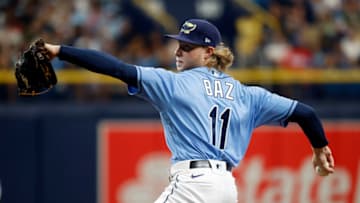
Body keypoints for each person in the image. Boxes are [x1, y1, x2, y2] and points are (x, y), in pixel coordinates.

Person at [43, 19, 335, 203]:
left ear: (209, 53)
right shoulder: (248, 95)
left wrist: (60, 50)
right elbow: (305, 113)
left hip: (193, 186)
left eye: (187, 47)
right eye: (179, 45)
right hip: (226, 190)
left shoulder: (172, 84)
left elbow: (116, 69)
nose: (178, 52)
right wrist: (319, 148)